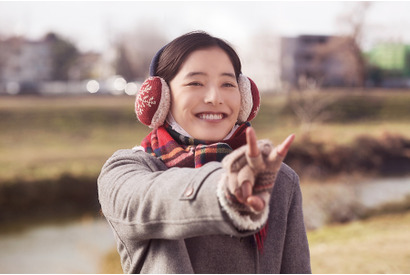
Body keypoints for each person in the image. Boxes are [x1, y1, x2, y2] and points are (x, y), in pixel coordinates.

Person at [98, 31, 311, 274]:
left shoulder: (278, 179)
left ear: (245, 97)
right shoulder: (124, 171)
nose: (214, 97)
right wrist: (227, 190)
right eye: (195, 83)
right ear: (161, 98)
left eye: (228, 84)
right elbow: (152, 197)